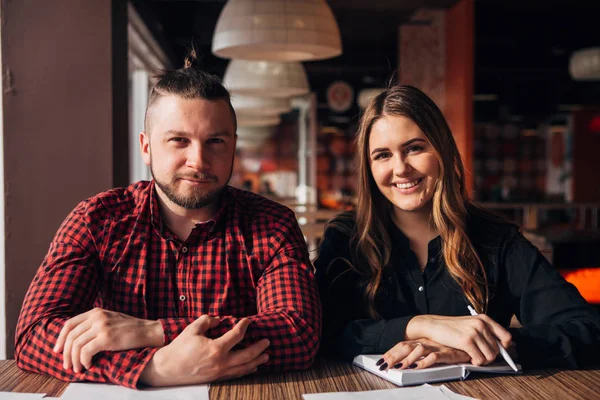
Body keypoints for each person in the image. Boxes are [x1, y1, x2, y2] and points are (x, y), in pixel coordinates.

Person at [15, 52, 321, 388]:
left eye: (215, 141)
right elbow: (34, 336)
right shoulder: (95, 221)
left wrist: (152, 331)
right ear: (146, 147)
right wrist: (154, 367)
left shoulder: (272, 225)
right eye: (179, 140)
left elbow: (298, 333)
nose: (198, 160)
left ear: (233, 146)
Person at [315, 85, 600, 372]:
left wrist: (490, 346)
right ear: (369, 167)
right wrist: (422, 325)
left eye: (414, 148)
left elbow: (589, 332)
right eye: (382, 155)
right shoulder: (346, 239)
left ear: (442, 150)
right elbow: (321, 333)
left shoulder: (496, 240)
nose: (400, 168)